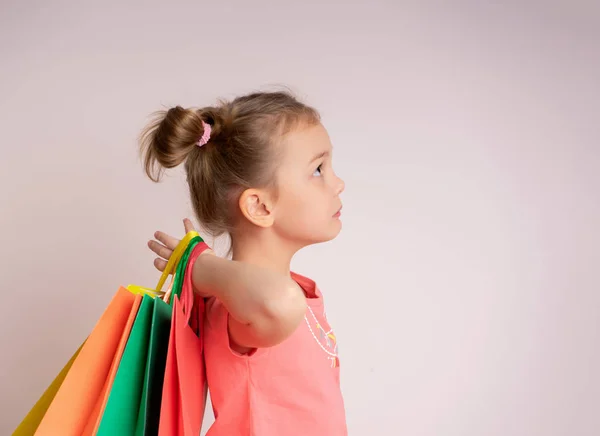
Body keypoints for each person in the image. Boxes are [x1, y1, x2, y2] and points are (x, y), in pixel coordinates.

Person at [143, 90, 346, 435]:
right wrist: (198, 265)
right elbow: (278, 302)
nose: (338, 183)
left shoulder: (294, 294)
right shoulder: (240, 310)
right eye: (317, 170)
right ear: (260, 207)